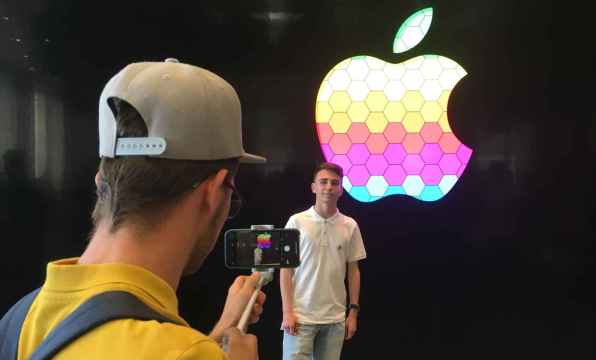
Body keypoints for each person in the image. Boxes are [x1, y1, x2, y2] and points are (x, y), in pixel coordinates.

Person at [2, 58, 267, 359]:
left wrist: (220, 333)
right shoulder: (184, 353)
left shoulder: (18, 321)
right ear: (213, 191)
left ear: (101, 180)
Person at [280, 162, 367, 360]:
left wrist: (352, 313)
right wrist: (287, 312)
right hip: (300, 318)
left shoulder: (350, 225)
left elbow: (354, 271)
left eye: (334, 183)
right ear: (314, 187)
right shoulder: (296, 221)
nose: (328, 187)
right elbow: (286, 270)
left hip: (335, 320)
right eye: (323, 182)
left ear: (341, 189)